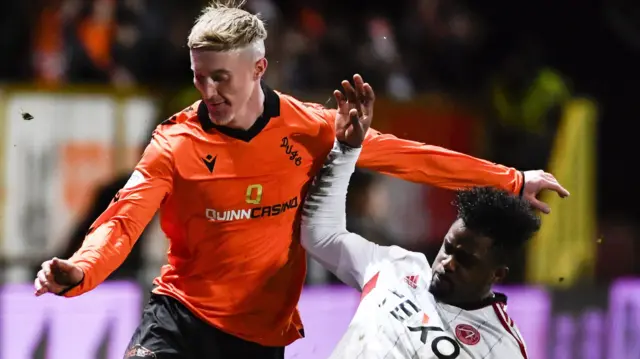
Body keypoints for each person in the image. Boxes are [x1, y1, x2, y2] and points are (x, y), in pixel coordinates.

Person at [33, 1, 567, 358]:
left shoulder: (309, 128)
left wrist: (512, 179)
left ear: (259, 68)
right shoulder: (173, 143)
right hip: (181, 316)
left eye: (221, 77)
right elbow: (121, 223)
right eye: (199, 77)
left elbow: (409, 158)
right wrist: (81, 269)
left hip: (262, 337)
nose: (208, 90)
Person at [300, 110, 542, 358]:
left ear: (497, 274)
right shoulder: (396, 267)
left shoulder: (502, 347)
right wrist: (345, 151)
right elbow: (321, 237)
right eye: (448, 248)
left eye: (466, 260)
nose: (448, 263)